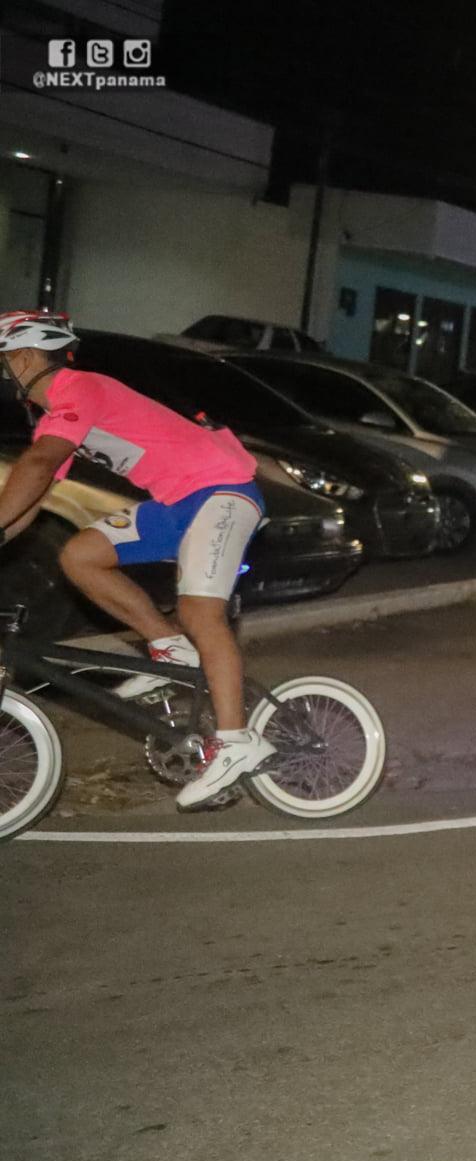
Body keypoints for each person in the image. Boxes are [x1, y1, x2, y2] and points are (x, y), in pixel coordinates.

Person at [0, 310, 269, 809]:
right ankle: (169, 646)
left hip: (223, 491)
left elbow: (35, 465)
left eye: (5, 360)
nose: (5, 372)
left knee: (199, 612)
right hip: (178, 502)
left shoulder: (78, 388)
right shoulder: (59, 415)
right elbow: (31, 497)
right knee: (81, 554)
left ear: (27, 357)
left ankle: (237, 741)